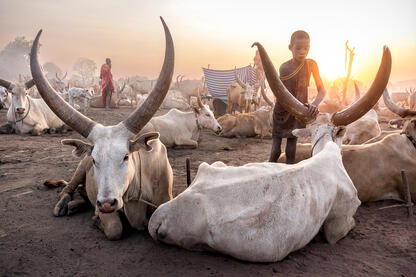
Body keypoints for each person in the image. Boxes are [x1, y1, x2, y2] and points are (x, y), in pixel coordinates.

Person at [269, 30, 326, 164]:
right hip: (282, 112)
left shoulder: (312, 64)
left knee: (291, 149)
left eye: (306, 48)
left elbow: (322, 90)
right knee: (275, 149)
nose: (302, 51)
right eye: (298, 48)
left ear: (309, 48)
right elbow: (284, 95)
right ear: (290, 48)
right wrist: (301, 108)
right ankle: (268, 171)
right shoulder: (284, 67)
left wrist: (314, 104)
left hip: (299, 112)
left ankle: (289, 173)